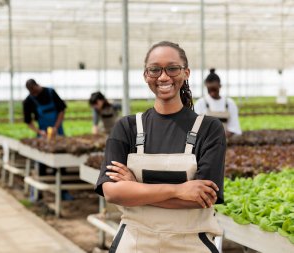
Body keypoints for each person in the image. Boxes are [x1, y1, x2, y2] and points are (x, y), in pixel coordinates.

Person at [95, 41, 225, 252]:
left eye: (172, 68)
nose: (163, 77)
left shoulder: (209, 128)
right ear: (146, 75)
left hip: (191, 242)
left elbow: (202, 198)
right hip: (135, 242)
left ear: (186, 73)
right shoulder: (127, 127)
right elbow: (112, 192)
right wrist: (179, 190)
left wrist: (135, 188)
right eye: (155, 69)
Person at [23, 79, 73, 201]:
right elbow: (28, 122)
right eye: (31, 92)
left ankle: (63, 191)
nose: (34, 94)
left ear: (37, 86)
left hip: (58, 132)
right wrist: (39, 132)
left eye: (35, 91)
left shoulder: (50, 92)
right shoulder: (28, 101)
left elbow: (62, 110)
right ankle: (37, 192)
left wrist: (56, 127)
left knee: (62, 162)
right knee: (41, 163)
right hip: (43, 134)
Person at [194, 69, 242, 137]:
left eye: (214, 89)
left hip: (225, 143)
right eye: (209, 89)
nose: (212, 92)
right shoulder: (200, 103)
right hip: (206, 144)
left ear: (220, 86)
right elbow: (196, 129)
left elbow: (234, 128)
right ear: (206, 86)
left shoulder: (229, 103)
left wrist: (220, 137)